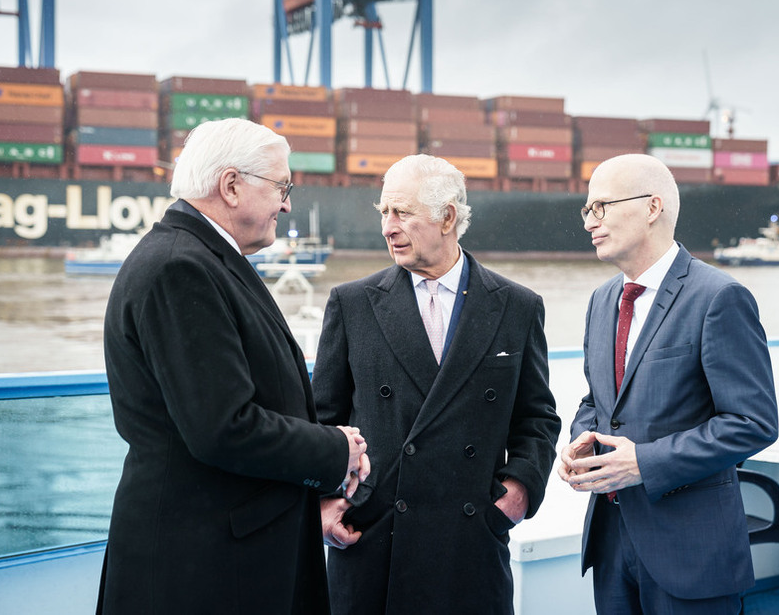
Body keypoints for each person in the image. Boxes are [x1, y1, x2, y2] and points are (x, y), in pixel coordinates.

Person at [98, 117, 369, 615]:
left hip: (224, 556)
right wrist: (336, 450)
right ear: (231, 186)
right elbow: (222, 428)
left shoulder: (199, 259)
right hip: (202, 569)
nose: (287, 204)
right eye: (282, 187)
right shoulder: (181, 268)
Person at [311, 153, 561, 614]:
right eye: (383, 212)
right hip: (372, 540)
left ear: (447, 217)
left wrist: (520, 490)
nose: (387, 226)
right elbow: (321, 420)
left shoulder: (518, 306)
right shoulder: (352, 304)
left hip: (470, 543)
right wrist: (324, 504)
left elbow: (537, 417)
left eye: (401, 212)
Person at [558, 153, 779, 614]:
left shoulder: (719, 297)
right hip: (611, 541)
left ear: (652, 207)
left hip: (691, 550)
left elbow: (753, 422)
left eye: (601, 207)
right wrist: (583, 440)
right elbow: (598, 399)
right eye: (587, 210)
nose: (588, 222)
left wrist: (644, 462)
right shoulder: (602, 300)